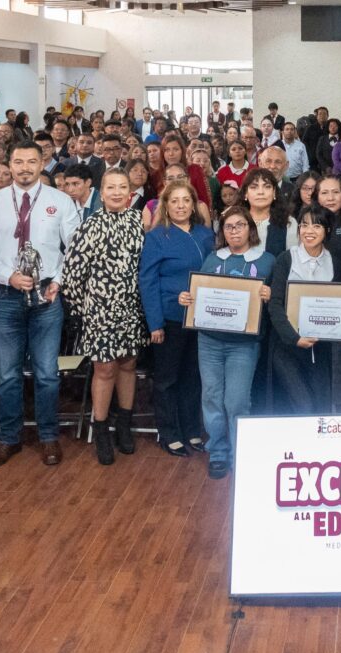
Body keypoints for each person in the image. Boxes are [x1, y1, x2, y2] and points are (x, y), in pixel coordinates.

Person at [0, 140, 80, 467]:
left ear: (42, 162)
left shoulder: (60, 201)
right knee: (8, 375)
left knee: (47, 374)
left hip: (47, 297)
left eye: (32, 161)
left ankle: (48, 436)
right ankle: (8, 438)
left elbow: (74, 248)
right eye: (19, 162)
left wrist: (58, 280)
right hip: (5, 298)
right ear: (9, 164)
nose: (26, 168)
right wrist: (7, 275)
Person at [179, 205, 274, 479]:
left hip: (244, 344)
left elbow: (280, 301)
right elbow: (199, 294)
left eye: (240, 226)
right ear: (223, 231)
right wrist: (188, 299)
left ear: (250, 229)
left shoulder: (267, 261)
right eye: (229, 227)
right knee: (211, 397)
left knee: (236, 400)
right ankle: (218, 451)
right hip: (209, 341)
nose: (234, 231)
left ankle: (240, 450)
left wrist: (270, 295)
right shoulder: (212, 259)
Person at [61, 168, 149, 465]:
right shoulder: (89, 226)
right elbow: (72, 274)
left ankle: (124, 423)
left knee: (128, 365)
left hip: (131, 309)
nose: (116, 192)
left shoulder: (138, 222)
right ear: (101, 190)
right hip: (99, 311)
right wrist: (82, 311)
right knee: (105, 369)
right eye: (110, 187)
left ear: (129, 191)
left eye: (122, 187)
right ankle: (100, 428)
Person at [140, 181, 214, 457]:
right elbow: (147, 281)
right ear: (166, 206)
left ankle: (192, 430)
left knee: (193, 378)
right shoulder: (157, 236)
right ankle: (169, 432)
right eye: (175, 201)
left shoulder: (206, 235)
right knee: (167, 379)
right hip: (169, 319)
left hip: (201, 319)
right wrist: (155, 323)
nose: (181, 205)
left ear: (194, 205)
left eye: (186, 200)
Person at [268, 204, 341, 413]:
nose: (309, 231)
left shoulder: (337, 262)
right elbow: (275, 304)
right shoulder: (285, 259)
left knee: (322, 407)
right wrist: (294, 338)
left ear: (327, 231)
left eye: (317, 226)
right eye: (304, 225)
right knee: (302, 405)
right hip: (287, 347)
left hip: (322, 349)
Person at [237, 167, 297, 256]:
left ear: (274, 193)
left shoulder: (288, 222)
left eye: (267, 187)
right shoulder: (234, 221)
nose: (260, 192)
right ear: (245, 193)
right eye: (254, 187)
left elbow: (292, 259)